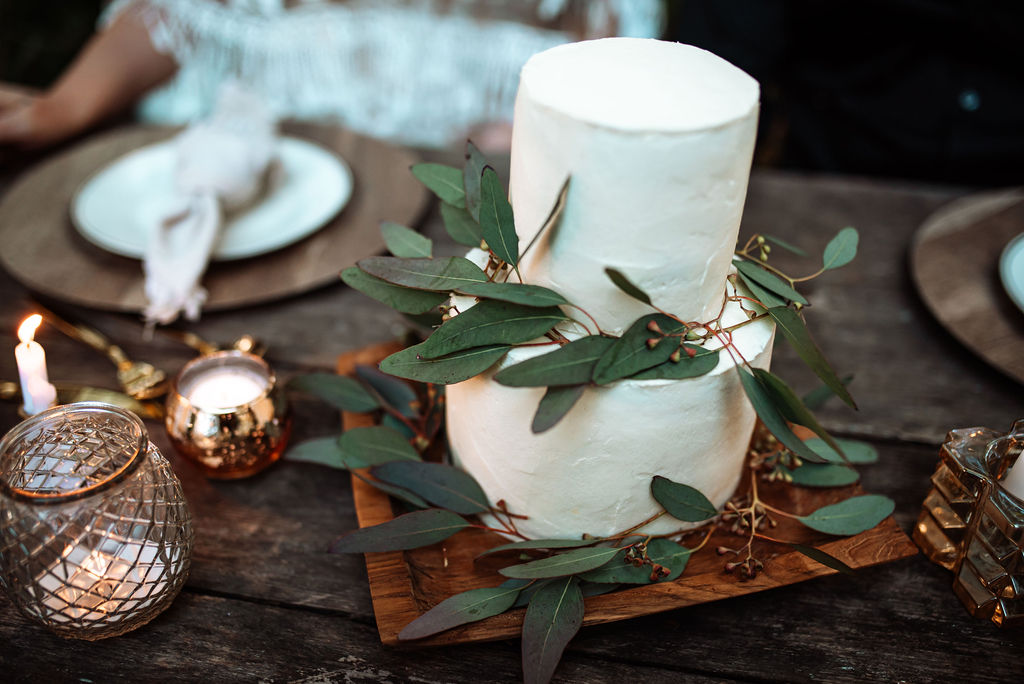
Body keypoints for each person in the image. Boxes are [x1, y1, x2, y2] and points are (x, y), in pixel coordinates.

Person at [0, 0, 663, 151]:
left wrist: (540, 135)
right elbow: (178, 12)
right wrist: (64, 107)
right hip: (250, 168)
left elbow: (610, 60)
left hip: (469, 201)